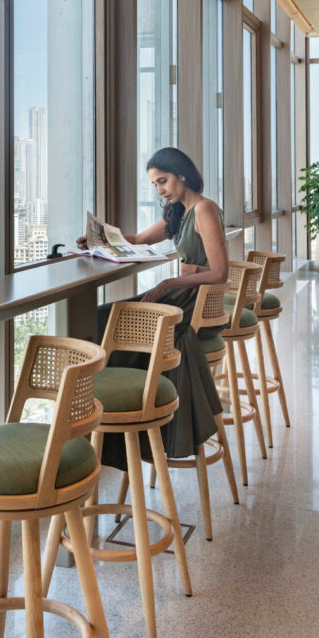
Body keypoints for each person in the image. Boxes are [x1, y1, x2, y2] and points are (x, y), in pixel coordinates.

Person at [78, 146, 229, 465]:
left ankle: (113, 419)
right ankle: (110, 418)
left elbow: (219, 271)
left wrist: (167, 284)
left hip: (191, 304)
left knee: (106, 319)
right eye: (155, 185)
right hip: (182, 297)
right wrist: (99, 239)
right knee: (105, 316)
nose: (160, 190)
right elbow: (139, 239)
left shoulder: (204, 209)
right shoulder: (178, 212)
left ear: (182, 174)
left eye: (163, 181)